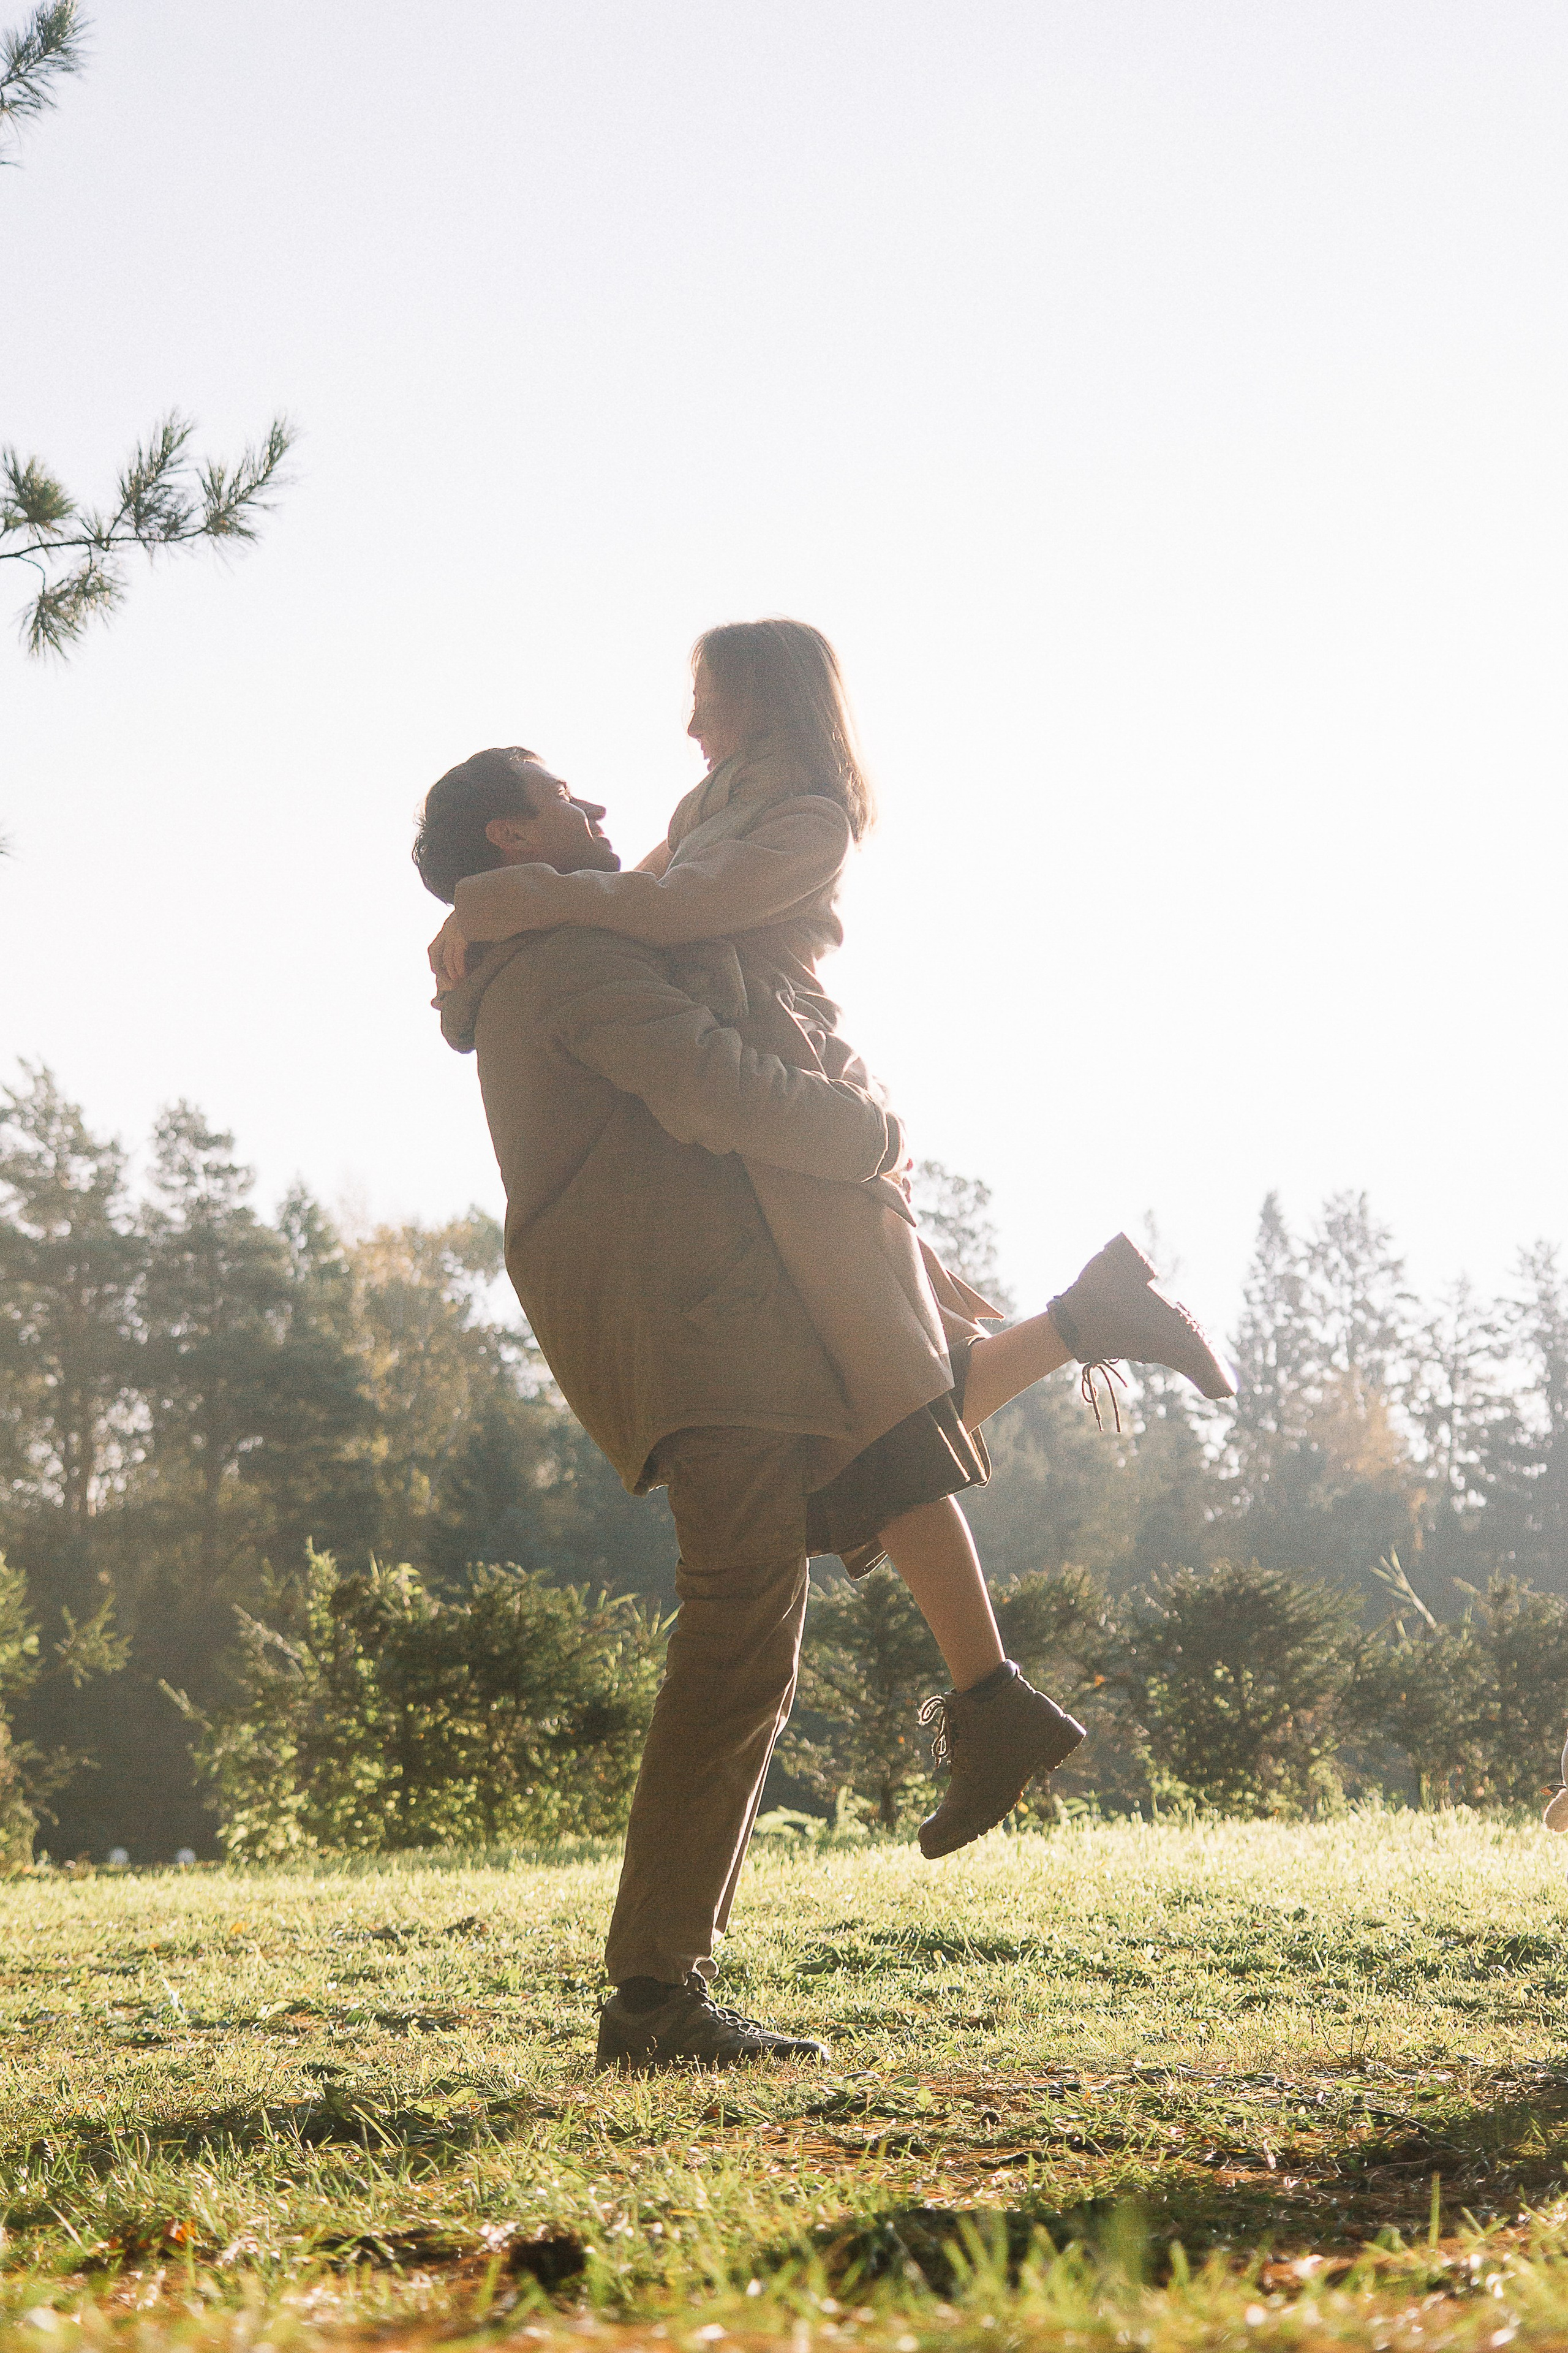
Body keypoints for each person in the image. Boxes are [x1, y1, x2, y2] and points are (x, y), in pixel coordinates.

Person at [424, 624, 1234, 1861]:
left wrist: (493, 900)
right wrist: (483, 925)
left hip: (801, 1101)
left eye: (703, 697)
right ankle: (1002, 1665)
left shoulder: (805, 818)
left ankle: (1003, 1665)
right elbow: (626, 901)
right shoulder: (708, 800)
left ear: (759, 697)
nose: (686, 725)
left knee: (879, 1403)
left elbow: (667, 907)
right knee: (871, 1403)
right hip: (767, 1124)